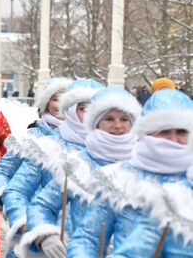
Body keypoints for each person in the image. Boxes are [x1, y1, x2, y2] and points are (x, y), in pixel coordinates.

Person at [68, 88, 193, 257]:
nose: (174, 139)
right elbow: (88, 238)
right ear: (148, 133)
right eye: (164, 131)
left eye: (181, 132)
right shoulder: (118, 179)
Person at [19, 86, 141, 258]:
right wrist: (45, 233)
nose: (117, 125)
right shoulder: (78, 165)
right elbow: (42, 205)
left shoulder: (147, 166)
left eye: (124, 119)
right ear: (97, 122)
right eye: (109, 119)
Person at [1, 79, 102, 256]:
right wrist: (34, 228)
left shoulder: (121, 155)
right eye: (83, 108)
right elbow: (12, 186)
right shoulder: (45, 145)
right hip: (48, 247)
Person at [0, 77, 70, 214]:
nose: (60, 104)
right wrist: (12, 203)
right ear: (46, 103)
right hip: (38, 221)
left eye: (65, 99)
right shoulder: (32, 137)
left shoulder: (86, 139)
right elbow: (0, 172)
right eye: (55, 99)